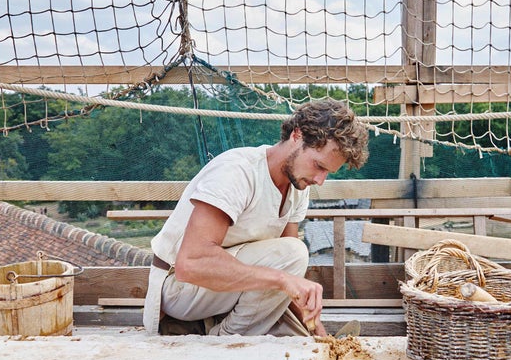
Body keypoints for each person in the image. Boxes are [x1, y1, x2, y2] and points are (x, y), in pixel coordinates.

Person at [143, 99, 369, 336]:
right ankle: (223, 341)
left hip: (228, 292)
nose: (320, 180)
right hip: (179, 289)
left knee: (292, 275)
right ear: (297, 135)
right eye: (319, 166)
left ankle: (237, 334)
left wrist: (320, 335)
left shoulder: (299, 185)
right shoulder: (237, 172)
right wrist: (281, 280)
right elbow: (190, 265)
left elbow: (288, 273)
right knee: (293, 255)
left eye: (328, 172)